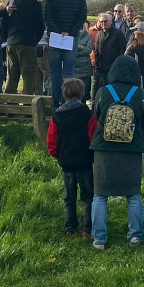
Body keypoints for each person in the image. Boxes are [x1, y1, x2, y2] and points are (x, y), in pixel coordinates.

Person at [90, 55, 144, 250]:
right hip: (131, 147)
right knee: (133, 194)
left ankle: (99, 238)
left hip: (104, 148)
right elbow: (141, 118)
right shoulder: (140, 93)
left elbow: (97, 115)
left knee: (100, 195)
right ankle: (134, 236)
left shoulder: (103, 92)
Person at [47, 78, 98, 238]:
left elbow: (52, 140)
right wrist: (92, 155)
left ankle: (69, 227)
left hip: (67, 162)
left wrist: (58, 155)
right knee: (87, 196)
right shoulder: (87, 115)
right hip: (84, 162)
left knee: (69, 197)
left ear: (63, 93)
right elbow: (93, 137)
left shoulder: (57, 116)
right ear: (82, 93)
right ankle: (87, 228)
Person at [43, 0, 88, 107]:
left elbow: (47, 15)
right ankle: (67, 102)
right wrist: (70, 31)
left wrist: (57, 31)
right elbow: (82, 17)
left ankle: (55, 103)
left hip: (55, 38)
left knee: (55, 72)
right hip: (71, 37)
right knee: (68, 72)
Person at [4, 0, 44, 94]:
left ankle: (8, 106)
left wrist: (8, 37)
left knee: (11, 76)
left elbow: (5, 22)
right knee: (28, 77)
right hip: (27, 42)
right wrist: (35, 40)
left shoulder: (12, 2)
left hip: (11, 42)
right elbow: (40, 26)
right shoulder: (35, 4)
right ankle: (27, 107)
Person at [93, 13, 128, 94]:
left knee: (113, 90)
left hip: (114, 66)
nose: (103, 23)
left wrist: (117, 63)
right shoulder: (99, 34)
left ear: (111, 22)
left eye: (105, 21)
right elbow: (97, 51)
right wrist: (97, 66)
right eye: (101, 22)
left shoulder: (118, 33)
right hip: (102, 67)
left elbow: (123, 48)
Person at [75, 21, 94, 103]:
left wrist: (74, 51)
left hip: (83, 68)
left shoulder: (88, 36)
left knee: (78, 92)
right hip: (79, 67)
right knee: (82, 92)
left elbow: (89, 50)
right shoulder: (73, 36)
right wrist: (80, 47)